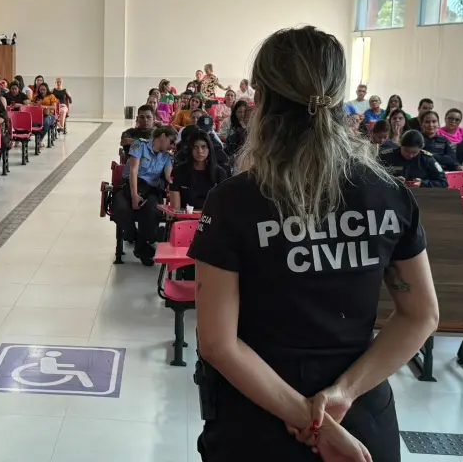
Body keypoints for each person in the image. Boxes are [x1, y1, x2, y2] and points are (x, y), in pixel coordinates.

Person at [190, 25, 439, 462]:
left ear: (262, 101)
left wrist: (309, 420)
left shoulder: (234, 202)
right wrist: (343, 394)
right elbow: (422, 315)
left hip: (259, 415)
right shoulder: (388, 194)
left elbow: (217, 342)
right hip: (359, 418)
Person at [112, 125, 175, 266]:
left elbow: (168, 177)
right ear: (163, 136)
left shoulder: (167, 156)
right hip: (129, 186)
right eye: (171, 141)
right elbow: (133, 170)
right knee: (121, 209)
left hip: (150, 190)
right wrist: (134, 195)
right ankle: (138, 241)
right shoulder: (139, 145)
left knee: (151, 211)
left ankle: (143, 247)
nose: (171, 146)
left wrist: (173, 182)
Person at [170, 130, 227, 211]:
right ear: (190, 149)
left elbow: (223, 205)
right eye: (195, 147)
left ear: (209, 149)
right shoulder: (179, 171)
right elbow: (175, 209)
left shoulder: (219, 173)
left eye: (203, 147)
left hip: (211, 217)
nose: (200, 151)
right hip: (184, 216)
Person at [380, 130, 448, 188]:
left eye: (415, 152)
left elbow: (443, 183)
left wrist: (423, 183)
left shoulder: (427, 159)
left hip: (419, 196)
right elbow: (374, 179)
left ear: (421, 148)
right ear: (400, 145)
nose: (410, 155)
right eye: (406, 151)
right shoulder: (386, 156)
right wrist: (391, 180)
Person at [32, 83, 58, 149]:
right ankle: (38, 138)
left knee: (45, 122)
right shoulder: (36, 96)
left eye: (44, 90)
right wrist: (35, 104)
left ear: (47, 90)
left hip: (49, 114)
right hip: (38, 114)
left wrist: (44, 107)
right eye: (41, 89)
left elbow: (54, 107)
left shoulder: (51, 96)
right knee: (33, 123)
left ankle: (39, 139)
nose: (42, 91)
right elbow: (31, 104)